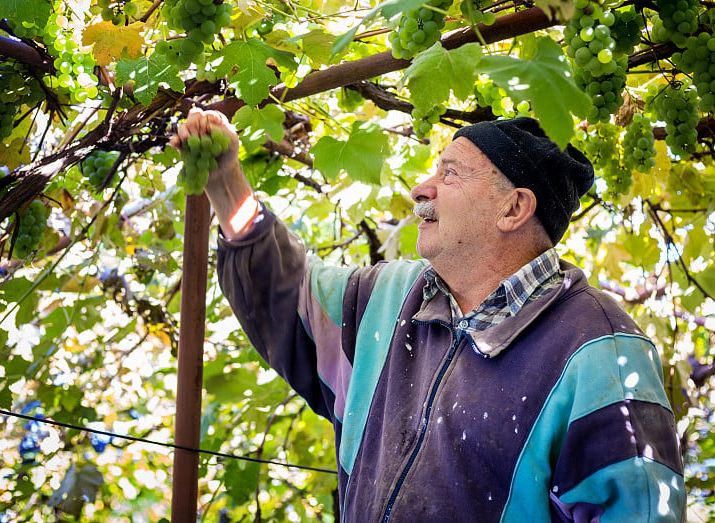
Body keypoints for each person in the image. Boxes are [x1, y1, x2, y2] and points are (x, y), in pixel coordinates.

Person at [171, 110, 686, 522]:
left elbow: (640, 512)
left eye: (450, 173)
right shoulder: (392, 298)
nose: (421, 188)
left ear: (513, 209)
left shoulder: (599, 348)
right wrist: (226, 184)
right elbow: (289, 295)